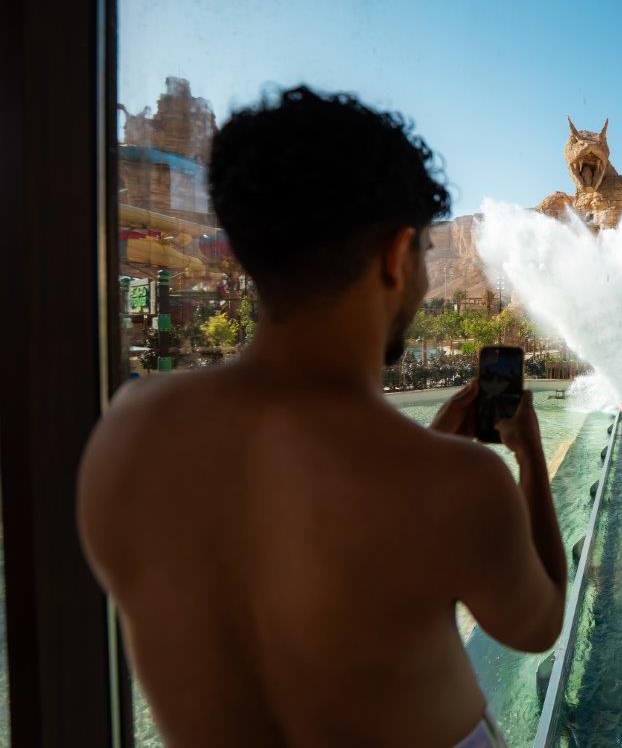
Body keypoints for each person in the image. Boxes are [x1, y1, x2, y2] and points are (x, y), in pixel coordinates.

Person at [78, 88, 566, 746]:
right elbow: (539, 623)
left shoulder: (127, 434)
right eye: (424, 250)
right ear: (397, 255)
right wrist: (529, 457)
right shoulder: (459, 485)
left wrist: (423, 446)